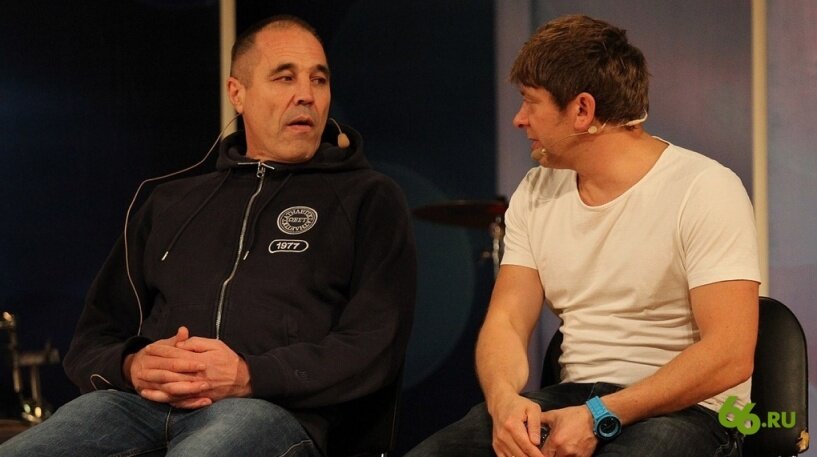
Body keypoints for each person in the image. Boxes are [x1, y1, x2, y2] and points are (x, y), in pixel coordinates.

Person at [0, 15, 416, 457]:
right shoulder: (170, 201)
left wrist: (250, 375)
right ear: (238, 93)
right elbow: (92, 339)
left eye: (319, 79)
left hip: (273, 410)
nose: (306, 95)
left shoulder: (368, 197)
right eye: (285, 77)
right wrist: (133, 365)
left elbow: (375, 345)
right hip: (135, 406)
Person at [406, 14, 759, 457]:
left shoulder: (704, 188)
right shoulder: (535, 191)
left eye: (530, 103)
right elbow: (507, 321)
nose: (519, 119)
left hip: (689, 411)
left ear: (582, 110)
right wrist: (503, 402)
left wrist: (599, 414)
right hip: (574, 399)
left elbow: (730, 353)